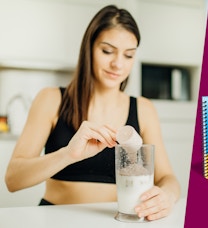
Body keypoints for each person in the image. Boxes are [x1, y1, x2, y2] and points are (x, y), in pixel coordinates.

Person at [5, 5, 180, 221]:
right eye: (107, 51)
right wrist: (69, 154)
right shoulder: (51, 99)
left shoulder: (144, 109)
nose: (117, 64)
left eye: (128, 55)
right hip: (54, 220)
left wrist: (167, 196)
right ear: (89, 49)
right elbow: (13, 179)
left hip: (116, 221)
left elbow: (167, 178)